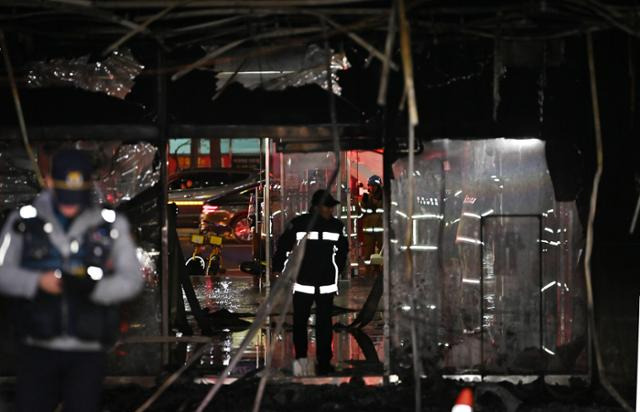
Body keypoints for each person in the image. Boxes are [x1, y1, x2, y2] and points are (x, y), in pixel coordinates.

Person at [0, 149, 143, 412]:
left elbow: (132, 280)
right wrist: (36, 282)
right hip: (36, 347)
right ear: (50, 182)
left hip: (87, 350)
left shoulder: (110, 226)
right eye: (65, 195)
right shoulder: (22, 223)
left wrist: (96, 288)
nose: (70, 205)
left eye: (76, 197)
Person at [273, 189, 348, 376]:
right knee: (304, 322)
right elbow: (283, 246)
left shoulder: (332, 226)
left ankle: (318, 360)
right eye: (327, 206)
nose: (331, 210)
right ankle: (306, 359)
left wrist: (336, 269)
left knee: (320, 323)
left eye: (332, 207)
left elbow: (343, 250)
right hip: (307, 281)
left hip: (320, 282)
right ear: (316, 207)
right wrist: (278, 268)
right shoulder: (302, 224)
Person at [360, 175, 384, 276]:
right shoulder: (366, 197)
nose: (372, 188)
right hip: (368, 231)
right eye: (371, 186)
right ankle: (368, 272)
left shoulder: (384, 197)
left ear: (379, 186)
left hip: (381, 230)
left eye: (374, 186)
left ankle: (381, 272)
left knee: (382, 252)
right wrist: (363, 203)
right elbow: (362, 213)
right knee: (368, 253)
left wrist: (377, 203)